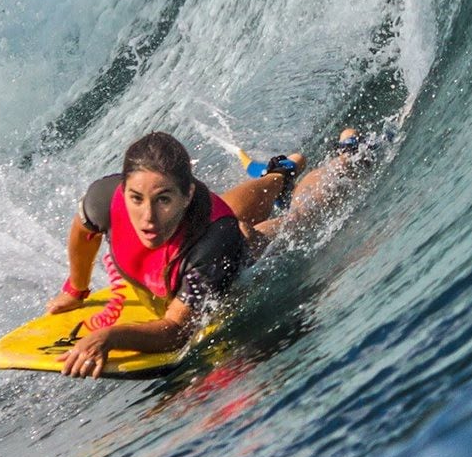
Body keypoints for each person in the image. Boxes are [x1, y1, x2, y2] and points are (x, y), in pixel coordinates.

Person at [47, 130, 308, 378]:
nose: (147, 218)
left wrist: (111, 337)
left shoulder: (213, 245)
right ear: (123, 188)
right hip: (201, 223)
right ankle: (280, 174)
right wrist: (76, 289)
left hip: (232, 252)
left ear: (188, 194)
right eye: (136, 198)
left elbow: (176, 331)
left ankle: (345, 157)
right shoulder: (103, 199)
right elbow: (84, 233)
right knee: (226, 213)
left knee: (287, 224)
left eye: (163, 200)